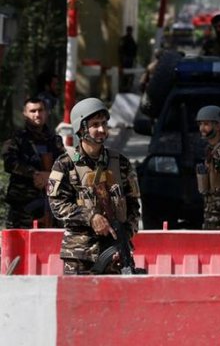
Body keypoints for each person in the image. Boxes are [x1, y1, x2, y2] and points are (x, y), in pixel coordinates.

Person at [48, 98, 141, 275]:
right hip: (79, 255)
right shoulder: (65, 164)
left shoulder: (120, 163)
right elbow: (57, 204)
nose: (102, 129)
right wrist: (91, 217)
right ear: (81, 129)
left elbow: (133, 205)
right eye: (95, 124)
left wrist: (123, 238)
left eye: (104, 124)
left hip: (115, 255)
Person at [2, 98, 66, 229]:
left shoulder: (55, 140)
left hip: (52, 204)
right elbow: (10, 162)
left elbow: (66, 163)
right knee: (19, 245)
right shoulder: (16, 139)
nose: (37, 114)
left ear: (46, 113)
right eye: (33, 111)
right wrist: (35, 174)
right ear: (25, 114)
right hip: (23, 204)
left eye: (40, 110)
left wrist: (51, 175)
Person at [119, 26, 138, 90]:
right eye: (129, 30)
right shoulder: (124, 39)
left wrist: (134, 58)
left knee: (130, 73)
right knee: (125, 74)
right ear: (127, 31)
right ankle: (124, 86)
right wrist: (122, 58)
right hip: (126, 58)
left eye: (131, 30)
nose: (130, 32)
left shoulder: (131, 39)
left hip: (130, 58)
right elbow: (120, 49)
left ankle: (127, 86)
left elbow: (135, 49)